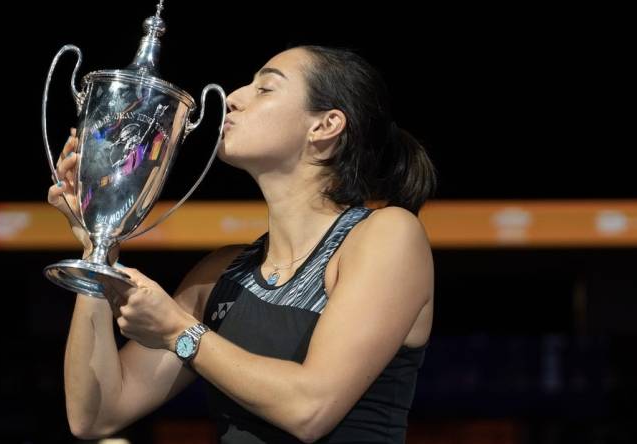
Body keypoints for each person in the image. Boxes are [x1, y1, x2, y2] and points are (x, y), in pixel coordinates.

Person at [48, 45, 437, 443]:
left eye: (265, 88)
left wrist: (179, 331)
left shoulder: (387, 234)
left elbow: (310, 408)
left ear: (325, 125)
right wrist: (99, 247)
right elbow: (95, 415)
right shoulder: (220, 273)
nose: (233, 98)